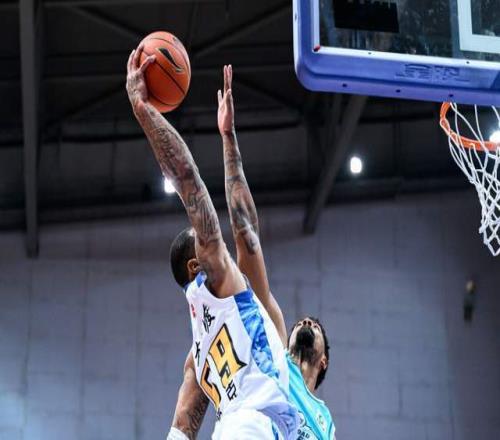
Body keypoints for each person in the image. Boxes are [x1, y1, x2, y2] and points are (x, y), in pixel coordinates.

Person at [126, 47, 298, 440]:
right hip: (252, 426)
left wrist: (228, 138)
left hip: (233, 427)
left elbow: (183, 424)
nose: (215, 240)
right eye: (203, 242)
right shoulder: (220, 281)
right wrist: (143, 109)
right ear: (195, 265)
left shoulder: (198, 353)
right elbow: (187, 178)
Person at [168, 66, 336, 440]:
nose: (307, 324)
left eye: (314, 326)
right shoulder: (265, 332)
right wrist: (229, 140)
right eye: (303, 323)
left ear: (323, 361)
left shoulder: (327, 423)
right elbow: (246, 232)